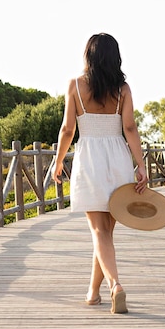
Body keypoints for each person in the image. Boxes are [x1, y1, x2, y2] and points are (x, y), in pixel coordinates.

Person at [52, 33, 148, 314]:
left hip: (90, 159)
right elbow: (129, 128)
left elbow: (68, 129)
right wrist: (140, 165)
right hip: (118, 158)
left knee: (98, 231)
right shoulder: (123, 89)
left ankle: (115, 285)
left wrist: (58, 161)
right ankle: (93, 293)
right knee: (105, 233)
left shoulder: (75, 85)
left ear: (89, 56)